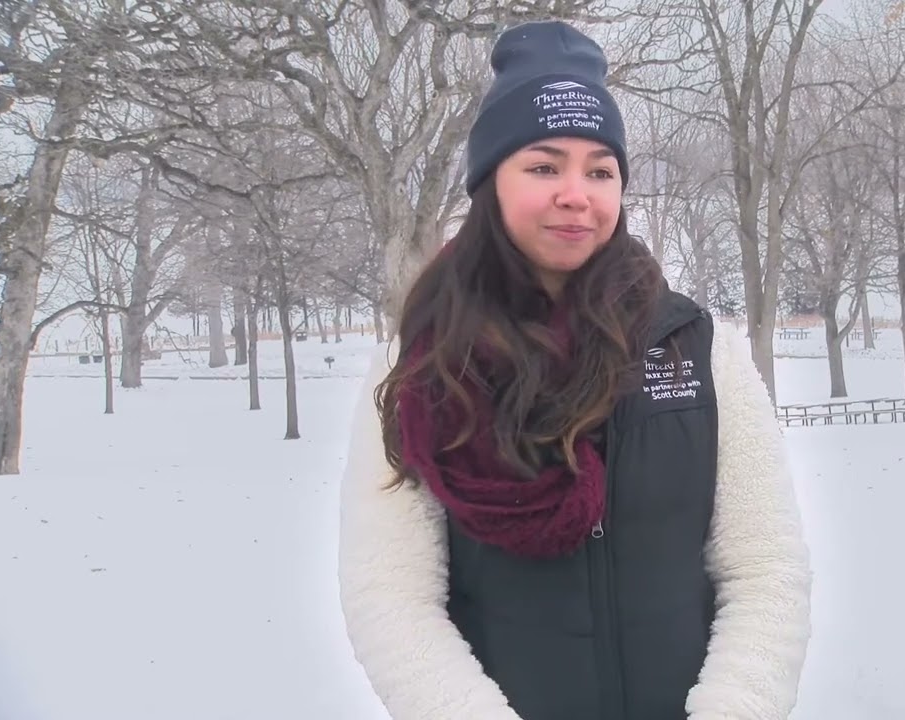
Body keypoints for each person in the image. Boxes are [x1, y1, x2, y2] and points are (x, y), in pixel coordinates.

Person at [337, 19, 812, 720]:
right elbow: (392, 598)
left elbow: (766, 570)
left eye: (600, 170)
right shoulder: (422, 366)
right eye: (543, 166)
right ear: (489, 184)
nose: (575, 192)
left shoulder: (697, 348)